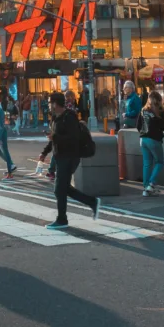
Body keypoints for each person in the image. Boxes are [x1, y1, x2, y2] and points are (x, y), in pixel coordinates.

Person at [37, 92, 100, 229]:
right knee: (62, 188)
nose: (48, 105)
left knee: (59, 189)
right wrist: (45, 152)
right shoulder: (55, 117)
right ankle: (91, 202)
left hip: (70, 156)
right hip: (60, 157)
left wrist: (55, 139)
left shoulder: (69, 117)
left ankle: (62, 219)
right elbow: (53, 138)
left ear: (55, 103)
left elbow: (73, 139)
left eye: (49, 102)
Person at [137, 91, 164, 197]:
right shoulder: (159, 111)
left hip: (143, 139)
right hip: (154, 140)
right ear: (159, 101)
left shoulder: (143, 110)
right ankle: (151, 184)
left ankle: (146, 189)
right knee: (160, 162)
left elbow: (138, 125)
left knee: (147, 164)